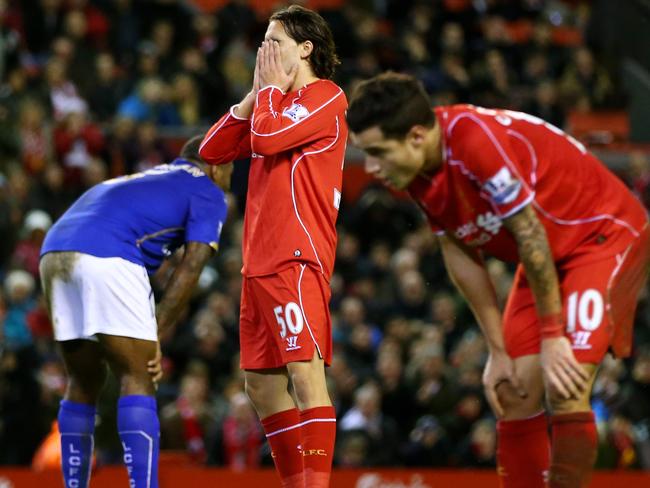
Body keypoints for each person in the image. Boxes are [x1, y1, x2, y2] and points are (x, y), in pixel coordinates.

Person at [347, 72, 650, 488]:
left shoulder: (474, 142)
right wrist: (497, 350)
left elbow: (528, 233)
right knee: (511, 390)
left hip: (602, 235)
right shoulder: (415, 170)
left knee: (566, 383)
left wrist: (553, 333)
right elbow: (459, 249)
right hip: (547, 252)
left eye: (378, 152)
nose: (372, 167)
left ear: (416, 136)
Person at [198, 5, 347, 487]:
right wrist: (249, 102)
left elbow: (265, 140)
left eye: (274, 42)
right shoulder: (272, 103)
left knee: (305, 377)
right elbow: (212, 151)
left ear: (305, 48)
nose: (264, 53)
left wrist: (266, 97)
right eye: (262, 43)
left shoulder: (326, 97)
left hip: (295, 258)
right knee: (261, 385)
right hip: (257, 263)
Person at [39, 136, 232, 488]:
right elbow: (190, 269)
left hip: (54, 249)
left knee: (84, 379)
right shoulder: (208, 190)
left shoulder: (153, 175)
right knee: (139, 372)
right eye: (231, 167)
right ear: (218, 166)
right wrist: (156, 332)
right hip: (107, 252)